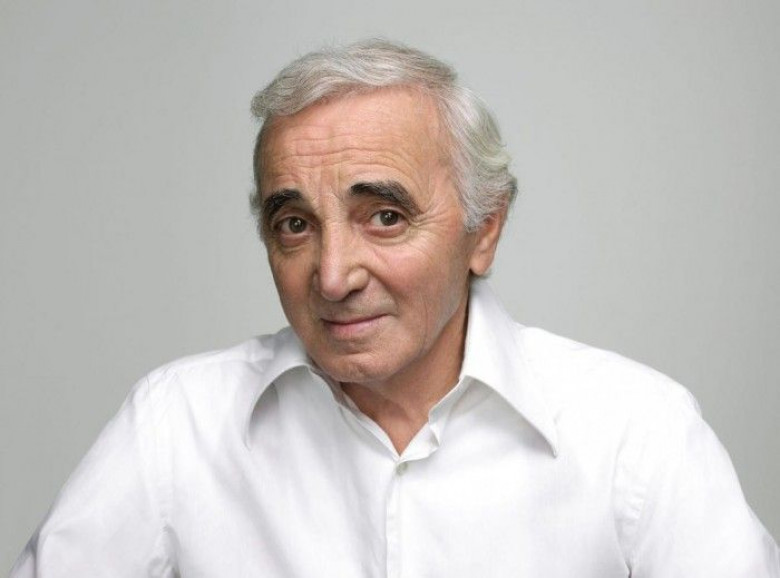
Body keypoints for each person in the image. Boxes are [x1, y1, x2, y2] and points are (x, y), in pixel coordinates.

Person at [11, 39, 779, 577]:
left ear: (485, 230)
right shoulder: (176, 426)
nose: (333, 276)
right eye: (295, 224)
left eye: (384, 216)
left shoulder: (636, 434)